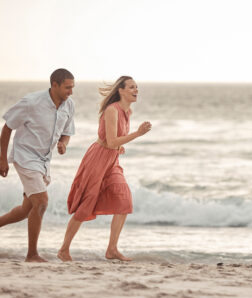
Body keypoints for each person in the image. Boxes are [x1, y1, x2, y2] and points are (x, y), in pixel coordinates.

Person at [57, 76, 151, 262]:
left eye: (137, 87)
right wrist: (137, 134)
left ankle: (112, 249)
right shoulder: (112, 110)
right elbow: (110, 140)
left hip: (112, 160)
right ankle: (63, 250)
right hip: (98, 159)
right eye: (132, 87)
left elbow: (116, 140)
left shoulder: (128, 112)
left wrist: (119, 147)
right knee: (86, 204)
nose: (136, 90)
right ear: (121, 91)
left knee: (124, 200)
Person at [0, 68, 75, 262]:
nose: (71, 92)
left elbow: (67, 132)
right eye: (67, 87)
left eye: (72, 87)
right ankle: (32, 254)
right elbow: (7, 127)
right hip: (25, 157)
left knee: (27, 210)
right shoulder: (31, 102)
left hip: (44, 161)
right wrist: (1, 158)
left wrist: (63, 144)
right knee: (41, 202)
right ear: (55, 85)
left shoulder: (69, 105)